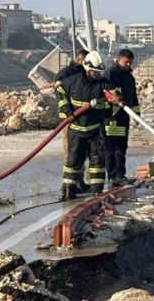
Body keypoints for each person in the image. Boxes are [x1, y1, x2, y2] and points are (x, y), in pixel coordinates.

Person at [56, 51, 121, 200]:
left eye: (99, 72)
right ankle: (68, 191)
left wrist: (117, 97)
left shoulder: (102, 84)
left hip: (95, 130)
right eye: (95, 72)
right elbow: (58, 89)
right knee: (73, 161)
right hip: (76, 129)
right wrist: (67, 110)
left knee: (97, 162)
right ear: (87, 68)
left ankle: (97, 192)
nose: (97, 75)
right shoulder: (73, 81)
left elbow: (113, 90)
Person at [53, 49, 90, 193]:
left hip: (82, 118)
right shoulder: (65, 74)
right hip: (69, 119)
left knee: (82, 150)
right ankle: (68, 184)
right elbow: (60, 95)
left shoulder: (83, 73)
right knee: (70, 150)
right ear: (79, 60)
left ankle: (79, 180)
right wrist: (69, 112)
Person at [103, 49, 140, 186]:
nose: (128, 65)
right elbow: (107, 92)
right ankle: (112, 176)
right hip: (112, 116)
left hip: (124, 117)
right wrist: (116, 100)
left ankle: (120, 175)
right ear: (119, 59)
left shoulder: (129, 77)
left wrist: (136, 114)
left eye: (130, 62)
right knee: (111, 148)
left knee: (122, 147)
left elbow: (133, 97)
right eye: (126, 62)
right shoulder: (111, 73)